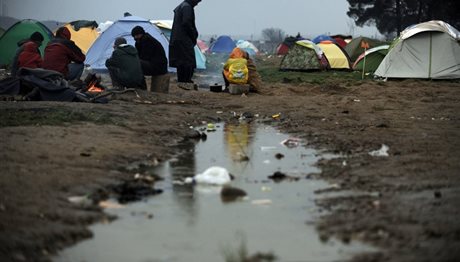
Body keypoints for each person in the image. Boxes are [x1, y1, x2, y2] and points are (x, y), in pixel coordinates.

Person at [169, 0, 201, 90]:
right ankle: (186, 81)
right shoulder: (187, 7)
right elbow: (186, 22)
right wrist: (193, 34)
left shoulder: (182, 6)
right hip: (184, 39)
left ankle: (182, 81)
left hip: (177, 38)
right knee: (187, 61)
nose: (198, 3)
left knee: (181, 61)